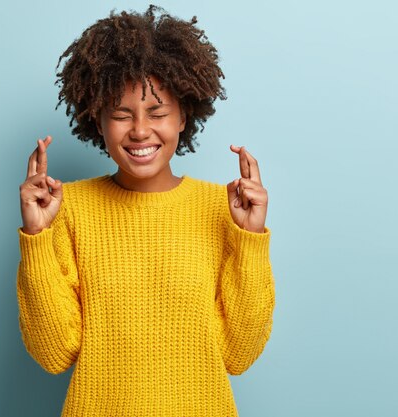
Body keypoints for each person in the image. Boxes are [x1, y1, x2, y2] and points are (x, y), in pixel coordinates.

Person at [16, 5, 275, 416]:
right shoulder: (68, 210)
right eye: (120, 114)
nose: (139, 130)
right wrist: (37, 239)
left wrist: (250, 242)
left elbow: (238, 355)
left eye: (157, 113)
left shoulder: (223, 209)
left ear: (183, 116)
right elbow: (54, 353)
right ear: (96, 120)